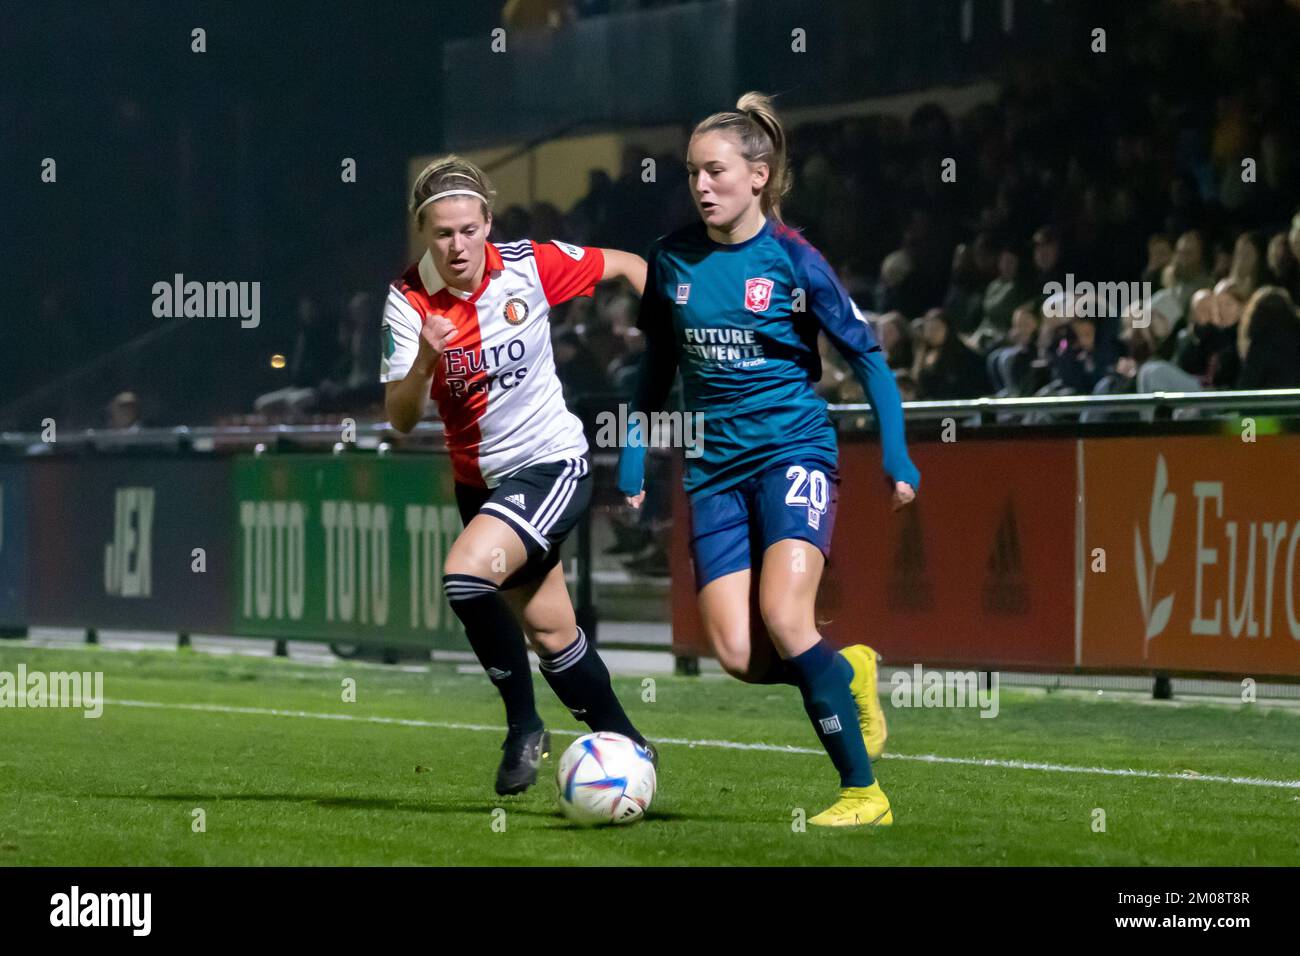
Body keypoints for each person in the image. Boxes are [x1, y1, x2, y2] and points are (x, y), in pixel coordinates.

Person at [617, 92, 920, 827]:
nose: (701, 186)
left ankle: (863, 793)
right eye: (692, 173)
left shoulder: (793, 259)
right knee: (737, 653)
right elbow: (655, 371)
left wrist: (899, 457)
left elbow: (869, 357)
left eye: (715, 171)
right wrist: (631, 461)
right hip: (712, 470)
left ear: (759, 175)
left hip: (792, 451)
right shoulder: (671, 259)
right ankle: (848, 669)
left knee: (787, 618)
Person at [382, 155, 654, 796]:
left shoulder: (531, 265)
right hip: (483, 487)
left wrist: (662, 332)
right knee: (553, 634)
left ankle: (524, 725)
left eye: (468, 230)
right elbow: (399, 417)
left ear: (487, 224)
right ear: (426, 232)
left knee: (464, 577)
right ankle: (631, 746)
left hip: (552, 463)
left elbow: (631, 265)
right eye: (442, 233)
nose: (457, 246)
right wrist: (425, 358)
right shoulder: (408, 299)